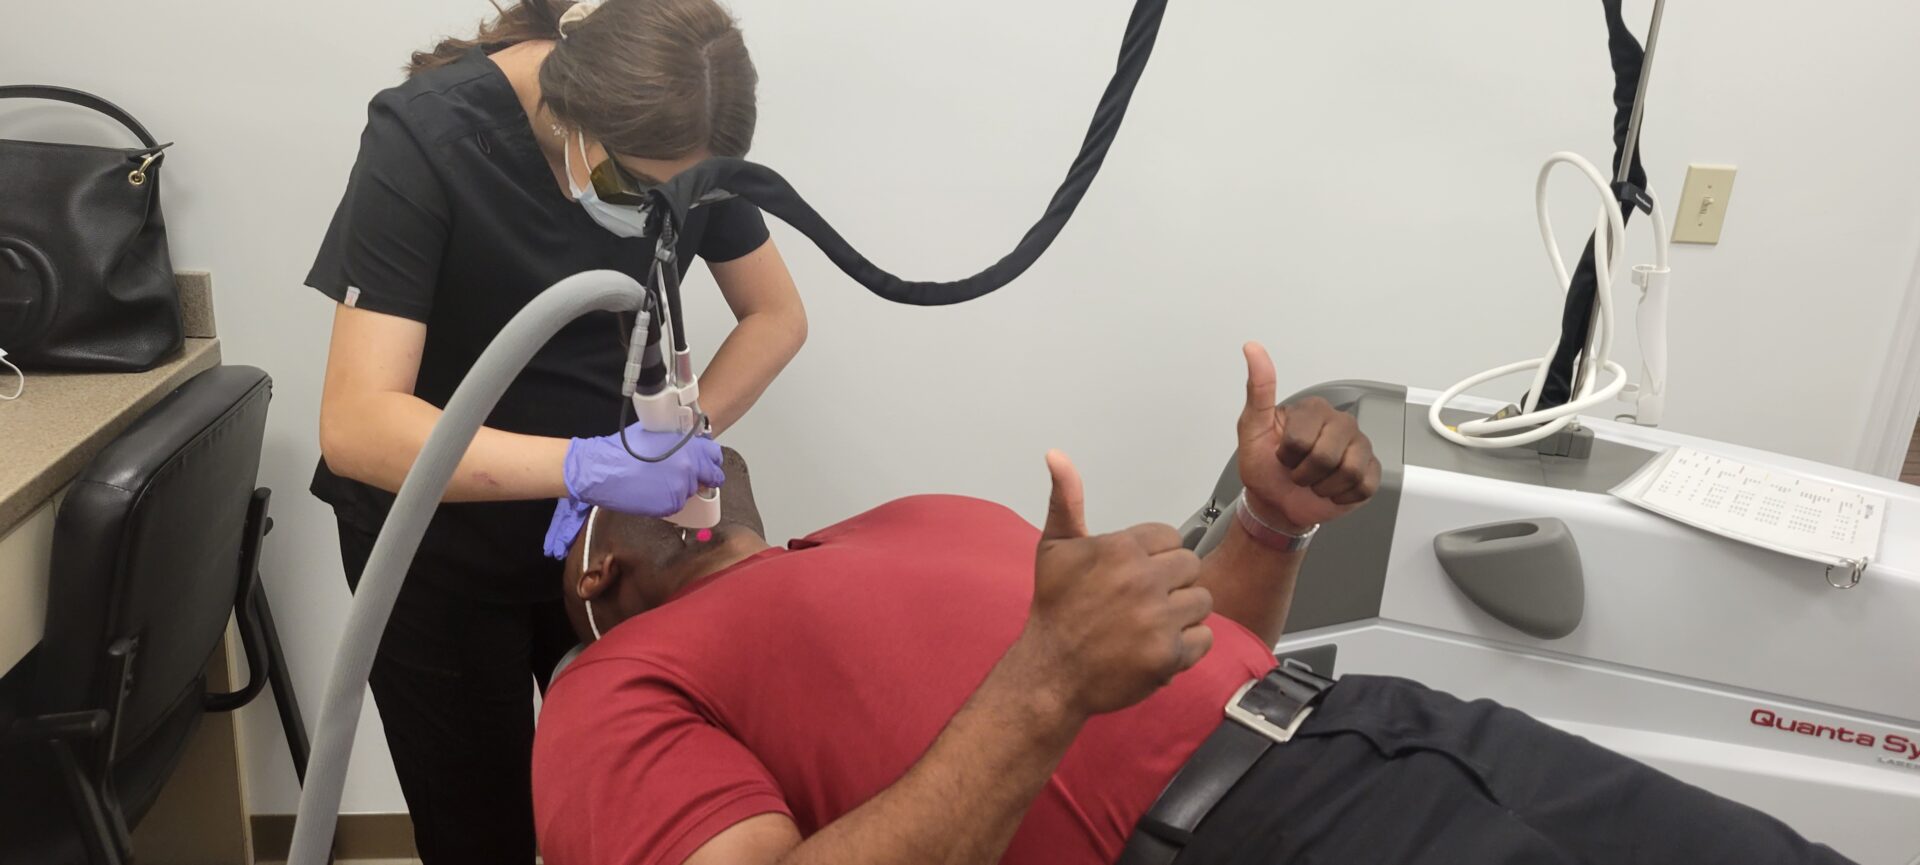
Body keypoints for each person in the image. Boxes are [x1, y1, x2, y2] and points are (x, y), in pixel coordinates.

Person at [530, 343, 1853, 865]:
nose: (674, 428)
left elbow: (1184, 665)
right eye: (628, 450)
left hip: (1373, 726)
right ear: (595, 566)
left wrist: (1270, 525)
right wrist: (1044, 676)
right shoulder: (607, 689)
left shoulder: (896, 522)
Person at [305, 1, 805, 861]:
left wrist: (677, 437)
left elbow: (775, 314)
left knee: (624, 811)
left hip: (604, 554)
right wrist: (590, 464)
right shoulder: (427, 137)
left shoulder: (687, 126)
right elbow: (358, 422)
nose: (656, 208)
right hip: (438, 557)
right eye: (641, 186)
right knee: (480, 832)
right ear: (575, 118)